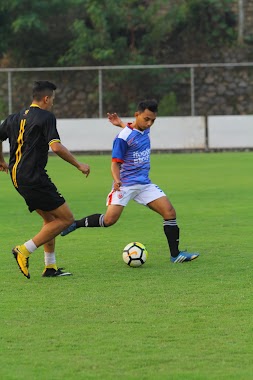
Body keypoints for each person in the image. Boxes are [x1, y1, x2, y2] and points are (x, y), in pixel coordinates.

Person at [61, 99, 199, 263]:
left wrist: (120, 123)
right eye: (146, 119)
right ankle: (76, 224)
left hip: (144, 184)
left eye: (153, 120)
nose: (149, 124)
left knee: (170, 213)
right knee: (109, 220)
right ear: (137, 115)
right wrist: (117, 180)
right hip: (124, 185)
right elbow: (114, 164)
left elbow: (134, 130)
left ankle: (175, 255)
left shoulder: (141, 130)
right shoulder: (122, 138)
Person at [0, 80, 90, 279]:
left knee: (50, 220)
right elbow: (56, 147)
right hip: (34, 177)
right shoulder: (46, 117)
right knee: (66, 219)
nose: (53, 104)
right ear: (46, 99)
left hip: (18, 176)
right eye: (53, 100)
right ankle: (23, 250)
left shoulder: (14, 117)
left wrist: (1, 160)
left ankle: (50, 267)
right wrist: (79, 164)